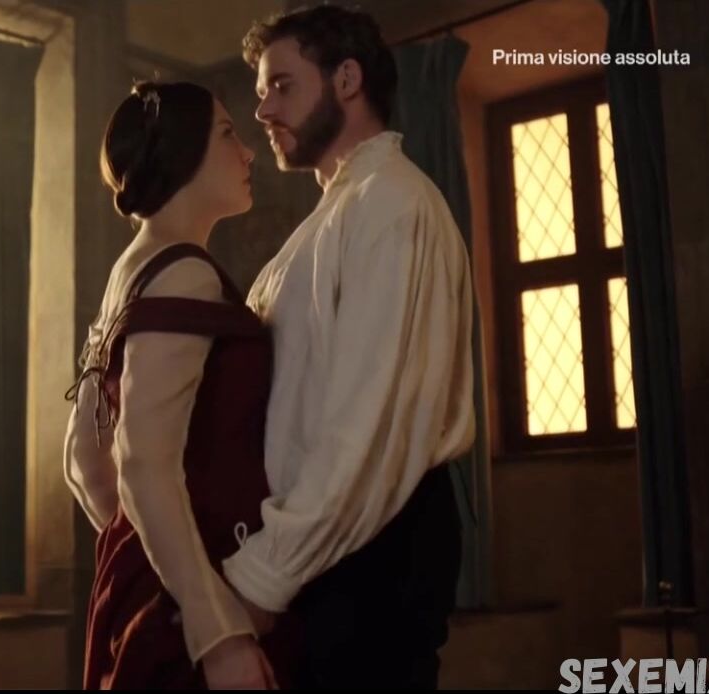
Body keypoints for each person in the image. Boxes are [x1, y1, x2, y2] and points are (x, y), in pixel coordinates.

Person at [220, 5, 478, 690]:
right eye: (261, 93)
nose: (263, 110)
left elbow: (366, 425)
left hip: (374, 549)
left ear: (347, 80)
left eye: (282, 86)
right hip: (331, 546)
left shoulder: (392, 203)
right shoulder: (337, 211)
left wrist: (265, 575)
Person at [63, 81, 296, 690]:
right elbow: (140, 463)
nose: (247, 152)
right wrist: (215, 628)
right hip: (187, 603)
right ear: (183, 149)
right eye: (227, 134)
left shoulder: (131, 268)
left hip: (146, 587)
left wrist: (143, 551)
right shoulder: (184, 271)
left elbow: (85, 462)